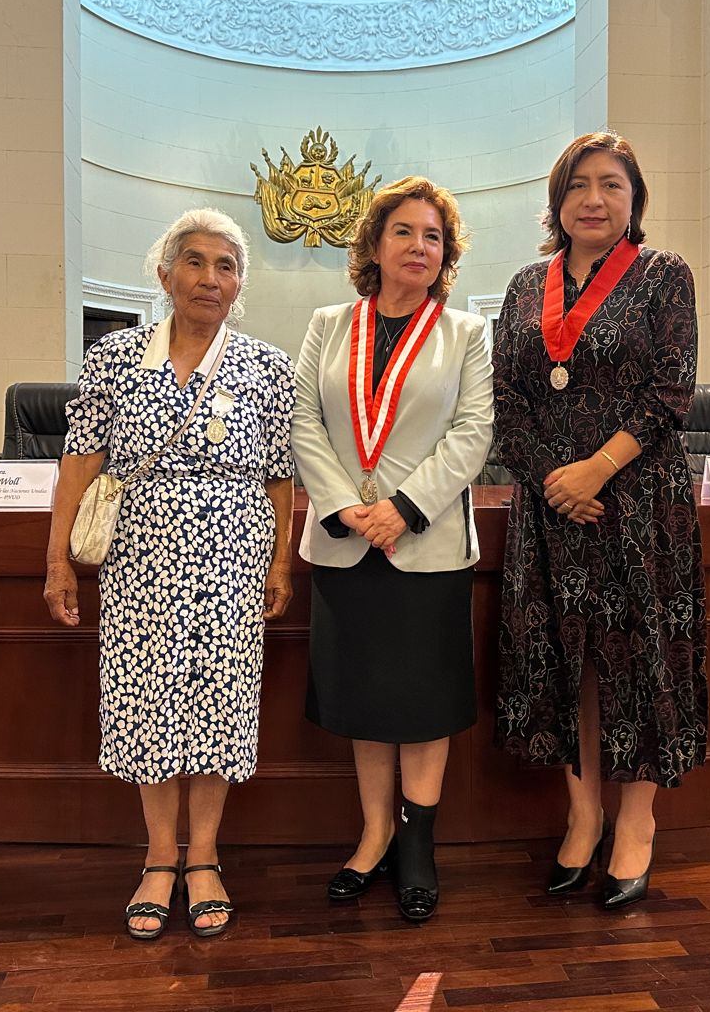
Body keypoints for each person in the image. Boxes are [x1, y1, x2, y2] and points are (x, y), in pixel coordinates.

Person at [43, 208, 295, 940]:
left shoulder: (267, 366)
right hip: (141, 560)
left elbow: (279, 475)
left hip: (232, 560)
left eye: (225, 265)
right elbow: (82, 461)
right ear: (164, 273)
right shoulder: (115, 357)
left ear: (239, 283)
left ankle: (206, 858)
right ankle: (159, 858)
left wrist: (280, 560)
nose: (209, 278)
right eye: (194, 261)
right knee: (148, 703)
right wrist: (56, 557)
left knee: (218, 704)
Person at [492, 130, 707, 910]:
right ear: (558, 200)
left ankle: (636, 824)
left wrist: (595, 471)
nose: (594, 198)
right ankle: (581, 817)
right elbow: (507, 403)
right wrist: (557, 482)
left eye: (611, 185)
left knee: (634, 664)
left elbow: (671, 392)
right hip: (551, 513)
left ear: (634, 200)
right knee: (564, 665)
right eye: (580, 184)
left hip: (639, 505)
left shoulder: (663, 276)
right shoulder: (523, 286)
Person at [290, 175, 493, 923]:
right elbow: (305, 421)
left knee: (422, 702)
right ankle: (372, 836)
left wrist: (403, 508)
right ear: (374, 244)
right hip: (346, 544)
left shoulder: (467, 334)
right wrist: (348, 504)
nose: (419, 246)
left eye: (434, 236)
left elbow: (473, 433)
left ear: (447, 255)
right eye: (404, 231)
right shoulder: (326, 324)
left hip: (425, 543)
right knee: (365, 702)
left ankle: (417, 846)